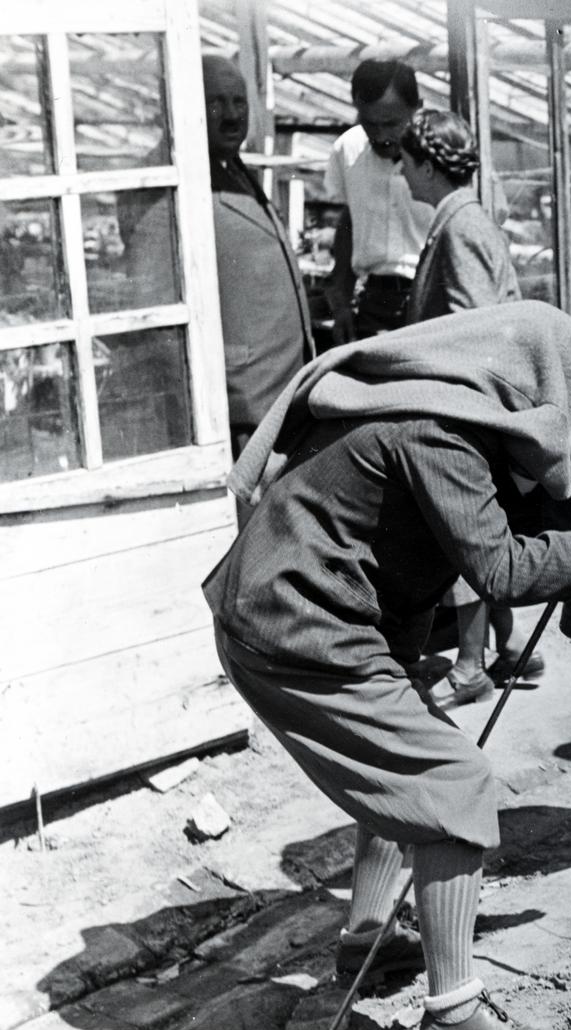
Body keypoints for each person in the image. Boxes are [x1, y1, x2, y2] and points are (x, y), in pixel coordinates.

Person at [205, 302, 571, 1030]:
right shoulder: (440, 434)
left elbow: (403, 565)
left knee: (406, 762)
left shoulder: (426, 400)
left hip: (289, 609)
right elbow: (497, 568)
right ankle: (454, 1013)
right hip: (294, 627)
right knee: (454, 782)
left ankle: (370, 933)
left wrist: (400, 684)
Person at [397, 108, 541, 707]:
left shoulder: (459, 226)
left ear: (428, 165)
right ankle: (511, 651)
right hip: (479, 406)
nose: (401, 172)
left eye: (406, 161)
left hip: (466, 409)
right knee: (487, 530)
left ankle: (469, 664)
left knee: (463, 537)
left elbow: (472, 327)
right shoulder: (463, 218)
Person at [200, 56, 315, 463]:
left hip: (277, 388)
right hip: (242, 398)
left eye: (239, 102)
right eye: (216, 102)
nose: (231, 114)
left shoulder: (234, 168)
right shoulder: (180, 181)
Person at [323, 59, 432, 342]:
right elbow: (349, 222)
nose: (381, 136)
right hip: (374, 302)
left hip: (433, 298)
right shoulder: (347, 150)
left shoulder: (442, 151)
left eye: (392, 123)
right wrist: (343, 303)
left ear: (416, 109)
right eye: (370, 123)